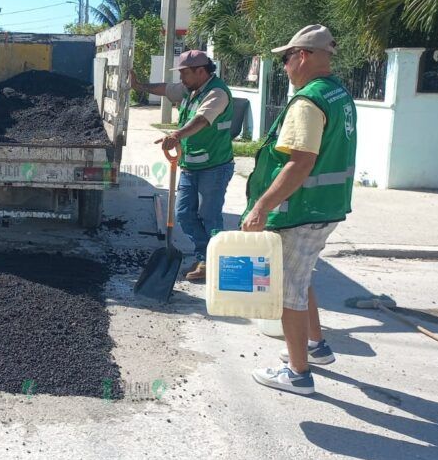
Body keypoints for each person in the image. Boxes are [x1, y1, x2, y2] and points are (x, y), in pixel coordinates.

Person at [243, 25, 357, 395]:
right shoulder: (338, 94)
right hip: (326, 206)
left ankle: (297, 373)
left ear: (303, 56)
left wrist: (261, 207)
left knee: (288, 291)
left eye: (286, 58)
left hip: (301, 211)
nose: (285, 66)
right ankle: (315, 345)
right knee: (302, 275)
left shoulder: (308, 102)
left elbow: (300, 163)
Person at [131, 50, 235, 281]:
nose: (181, 78)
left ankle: (212, 262)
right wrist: (140, 86)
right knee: (183, 213)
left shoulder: (217, 93)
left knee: (210, 215)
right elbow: (165, 88)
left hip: (215, 165)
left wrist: (176, 134)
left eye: (185, 73)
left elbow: (201, 120)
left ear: (201, 71)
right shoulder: (191, 89)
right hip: (191, 163)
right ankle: (205, 255)